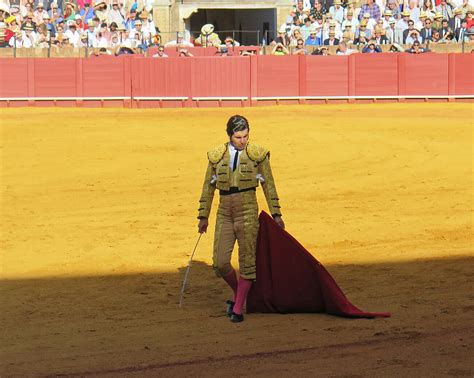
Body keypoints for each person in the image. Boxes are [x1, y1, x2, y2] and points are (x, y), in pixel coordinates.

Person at [197, 115, 284, 323]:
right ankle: (240, 295)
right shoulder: (216, 156)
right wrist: (203, 215)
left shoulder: (257, 155)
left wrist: (277, 214)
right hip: (224, 212)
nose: (243, 141)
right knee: (219, 262)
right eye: (238, 137)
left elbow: (268, 185)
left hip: (247, 209)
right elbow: (208, 188)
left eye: (246, 136)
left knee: (247, 262)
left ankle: (237, 308)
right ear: (230, 136)